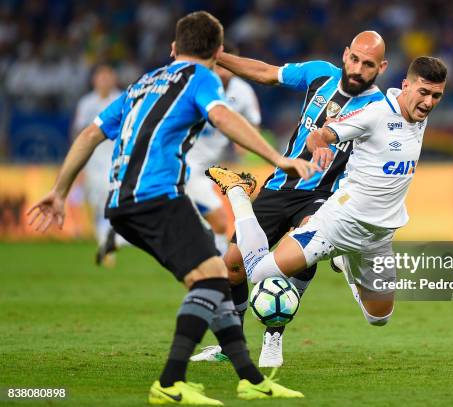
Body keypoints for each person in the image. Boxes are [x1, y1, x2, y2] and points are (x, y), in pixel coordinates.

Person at [27, 11, 317, 405]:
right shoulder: (202, 79)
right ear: (217, 52)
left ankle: (251, 379)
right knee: (213, 281)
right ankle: (169, 382)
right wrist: (276, 158)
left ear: (173, 48)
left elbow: (92, 133)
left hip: (121, 203)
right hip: (156, 196)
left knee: (212, 276)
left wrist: (59, 191)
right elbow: (222, 116)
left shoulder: (140, 85)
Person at [207, 56, 447, 332]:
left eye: (436, 96)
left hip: (377, 236)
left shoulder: (417, 116)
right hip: (338, 222)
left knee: (379, 317)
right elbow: (321, 134)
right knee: (258, 273)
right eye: (424, 93)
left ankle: (345, 262)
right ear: (406, 86)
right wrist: (320, 142)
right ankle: (238, 193)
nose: (429, 102)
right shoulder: (376, 113)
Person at [192, 31, 388, 368]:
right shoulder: (319, 74)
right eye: (354, 59)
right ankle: (231, 346)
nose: (358, 69)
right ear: (345, 54)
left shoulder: (379, 109)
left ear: (381, 67)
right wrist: (217, 56)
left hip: (325, 195)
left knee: (301, 250)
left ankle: (273, 337)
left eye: (368, 64)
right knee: (233, 264)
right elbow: (267, 73)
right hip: (280, 186)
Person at [185, 43, 261, 256]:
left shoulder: (243, 92)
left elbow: (253, 123)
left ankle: (211, 259)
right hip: (187, 162)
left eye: (228, 66)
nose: (223, 72)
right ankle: (214, 261)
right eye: (219, 66)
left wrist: (243, 142)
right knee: (216, 219)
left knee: (214, 221)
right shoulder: (199, 86)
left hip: (213, 165)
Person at [72, 64, 126, 266]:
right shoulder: (86, 103)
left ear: (114, 79)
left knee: (110, 199)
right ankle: (109, 239)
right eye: (100, 76)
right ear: (94, 80)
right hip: (93, 158)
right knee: (97, 203)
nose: (104, 80)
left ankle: (111, 239)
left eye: (107, 76)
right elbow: (78, 132)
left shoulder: (122, 98)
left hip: (116, 157)